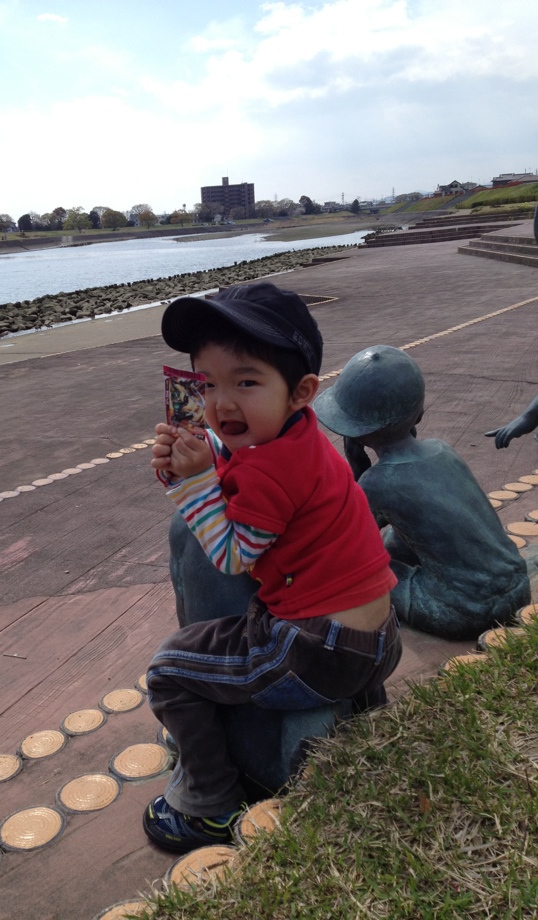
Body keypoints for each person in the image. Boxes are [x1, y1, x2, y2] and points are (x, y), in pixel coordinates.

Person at [143, 283, 402, 853]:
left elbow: (231, 555)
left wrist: (191, 483)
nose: (221, 404)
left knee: (168, 671)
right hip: (380, 639)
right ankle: (363, 712)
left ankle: (209, 802)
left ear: (302, 391)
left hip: (316, 652)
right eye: (206, 384)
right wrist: (200, 460)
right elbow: (240, 461)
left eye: (246, 382)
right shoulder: (299, 437)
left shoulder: (270, 471)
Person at [313, 345, 530, 640]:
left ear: (353, 430)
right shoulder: (443, 449)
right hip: (518, 588)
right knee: (395, 537)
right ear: (419, 415)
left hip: (462, 609)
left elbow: (346, 541)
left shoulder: (376, 482)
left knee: (361, 569)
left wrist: (358, 465)